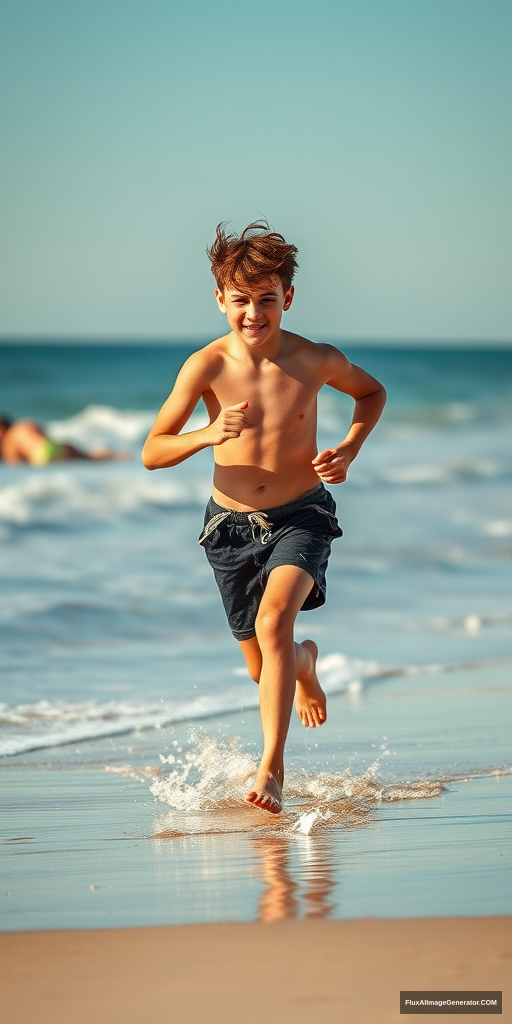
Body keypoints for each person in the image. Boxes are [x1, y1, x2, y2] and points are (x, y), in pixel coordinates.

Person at [142, 221, 386, 814]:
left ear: (288, 298)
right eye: (241, 300)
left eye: (267, 299)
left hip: (302, 513)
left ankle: (270, 768)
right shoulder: (205, 367)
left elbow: (371, 393)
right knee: (262, 666)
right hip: (228, 528)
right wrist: (204, 434)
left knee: (275, 621)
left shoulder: (316, 359)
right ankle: (304, 662)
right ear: (220, 298)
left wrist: (349, 449)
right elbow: (152, 450)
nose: (254, 313)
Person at [0, 416, 128, 465]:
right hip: (50, 445)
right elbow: (44, 436)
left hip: (39, 455)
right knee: (86, 457)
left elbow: (14, 463)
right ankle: (115, 456)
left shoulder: (9, 439)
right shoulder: (25, 423)